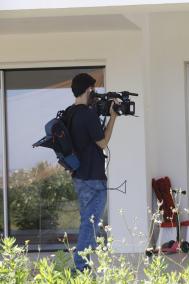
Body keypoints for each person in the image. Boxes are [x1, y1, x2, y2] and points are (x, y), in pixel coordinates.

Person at [68, 73, 117, 272]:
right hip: (93, 178)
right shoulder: (87, 115)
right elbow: (103, 143)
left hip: (79, 176)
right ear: (88, 89)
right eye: (93, 90)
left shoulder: (69, 113)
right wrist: (113, 117)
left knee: (87, 221)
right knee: (91, 223)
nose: (95, 93)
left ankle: (83, 264)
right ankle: (80, 268)